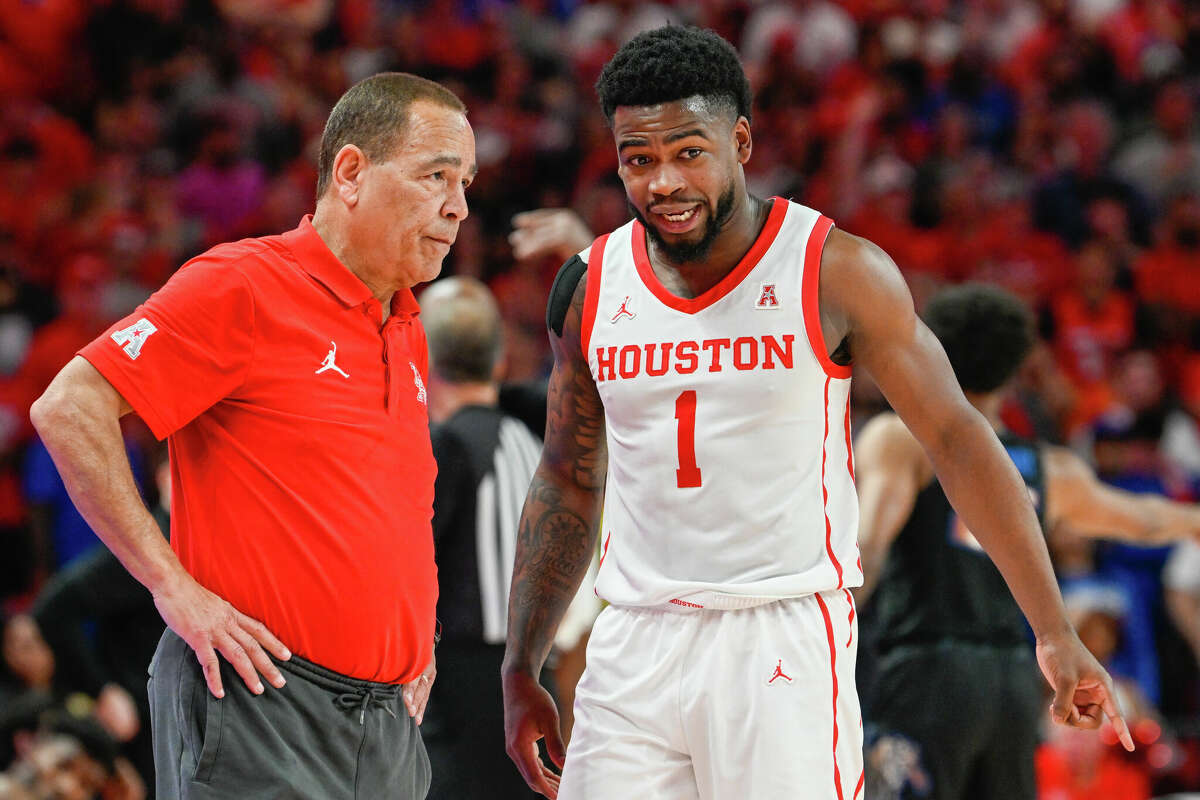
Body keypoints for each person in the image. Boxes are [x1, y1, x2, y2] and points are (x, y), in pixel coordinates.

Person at [500, 26, 1133, 800]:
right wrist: (520, 663)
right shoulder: (589, 287)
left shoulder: (836, 270)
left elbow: (957, 438)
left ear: (740, 140)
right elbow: (567, 479)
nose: (663, 181)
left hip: (781, 634)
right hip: (634, 636)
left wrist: (1054, 630)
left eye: (688, 152)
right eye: (639, 159)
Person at [28, 71, 477, 799]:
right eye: (436, 176)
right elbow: (68, 409)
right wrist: (170, 585)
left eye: (466, 183)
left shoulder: (405, 324)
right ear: (352, 172)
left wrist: (411, 629)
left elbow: (394, 498)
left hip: (386, 721)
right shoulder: (242, 285)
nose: (458, 208)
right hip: (261, 703)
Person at [853, 283, 1200, 800]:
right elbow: (1143, 519)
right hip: (1014, 680)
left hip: (927, 673)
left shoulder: (902, 438)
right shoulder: (1049, 466)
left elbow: (869, 551)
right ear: (1015, 369)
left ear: (933, 351)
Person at [419, 276, 546, 800]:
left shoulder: (447, 444)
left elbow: (412, 564)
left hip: (464, 676)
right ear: (499, 362)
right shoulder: (531, 436)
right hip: (534, 666)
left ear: (422, 361)